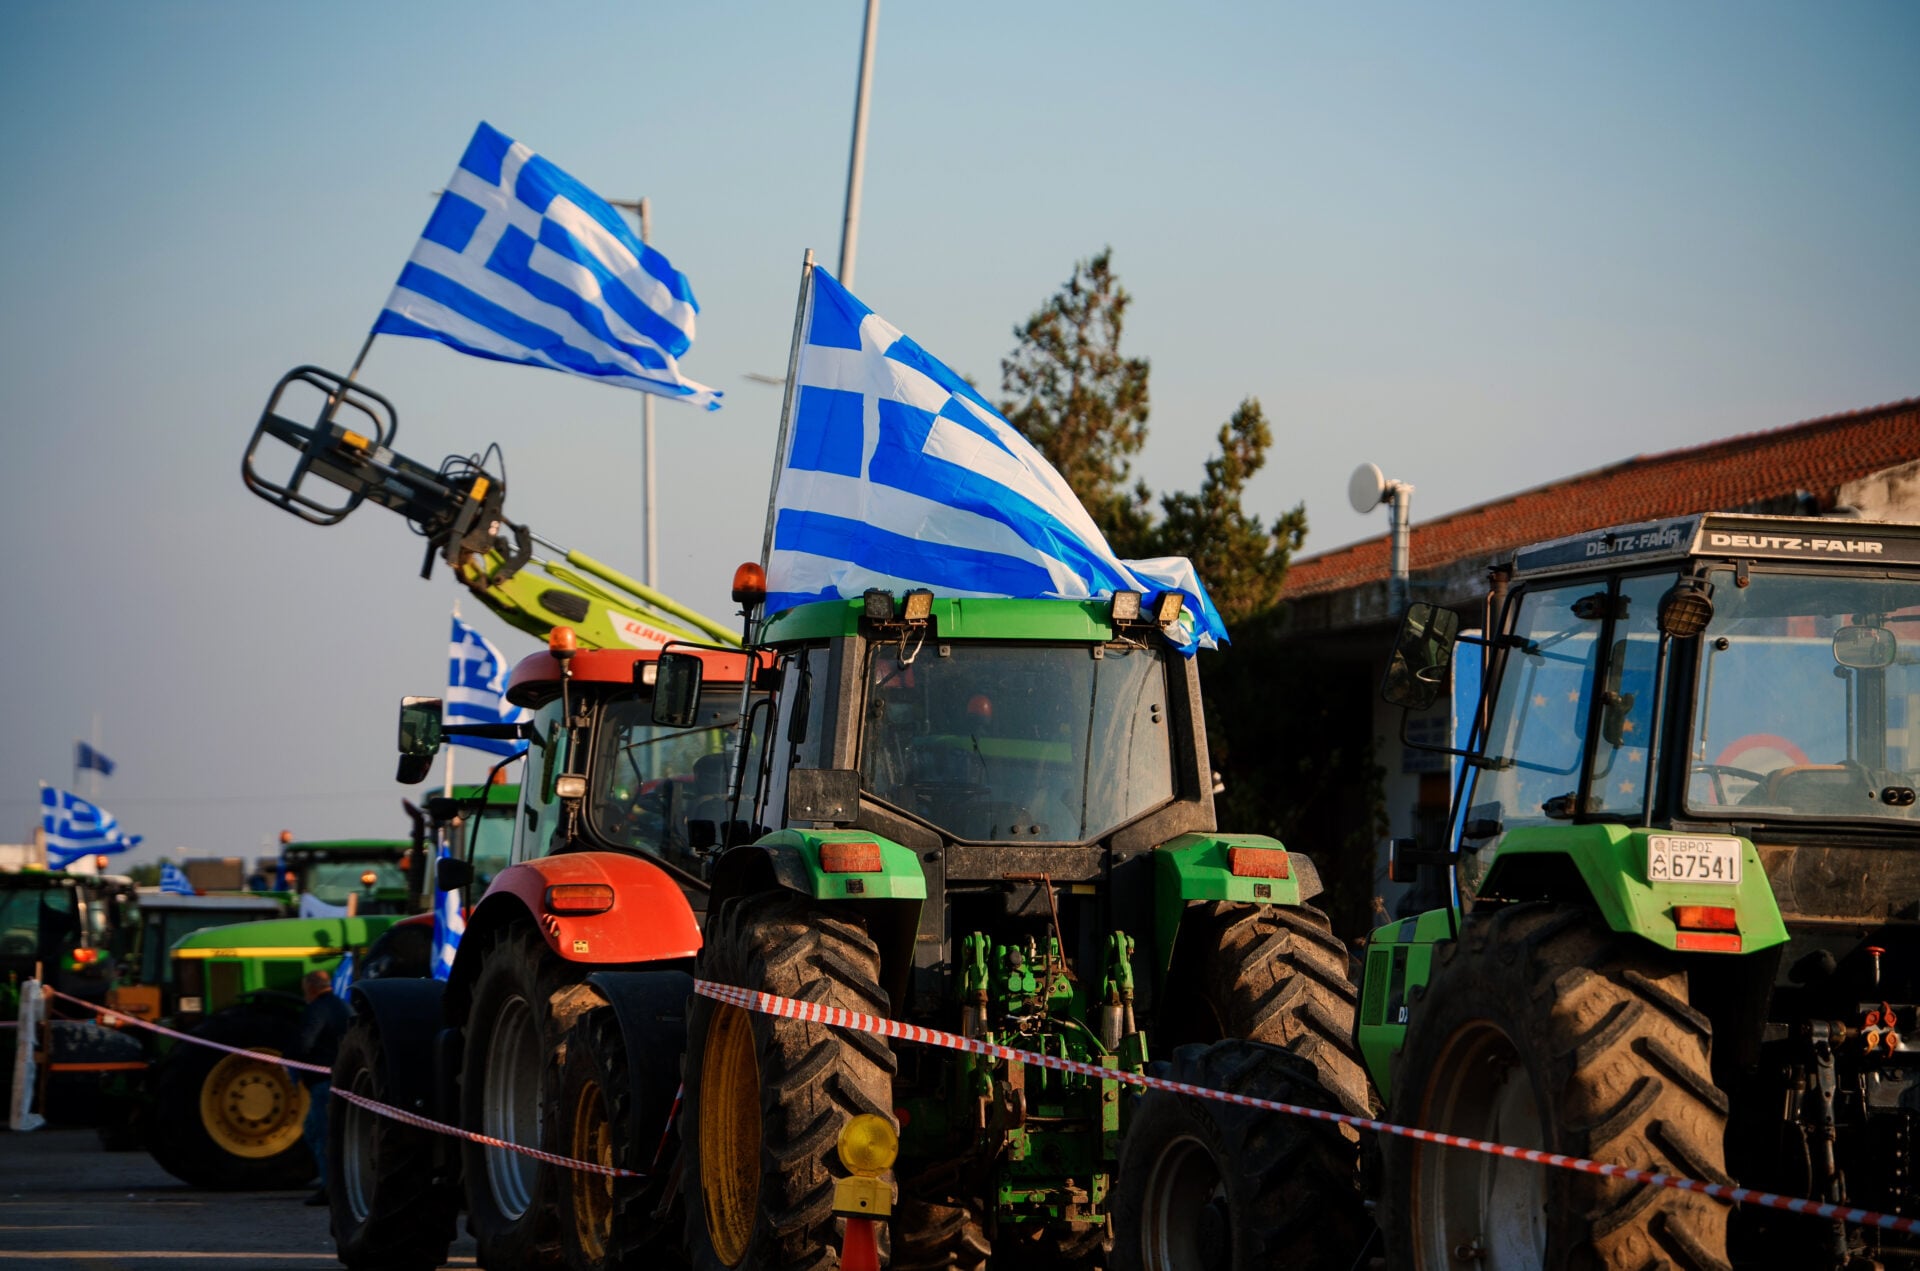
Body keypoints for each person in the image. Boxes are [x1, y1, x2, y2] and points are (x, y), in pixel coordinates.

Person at [291, 968, 351, 1206]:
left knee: (319, 1134)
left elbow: (305, 1042)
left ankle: (330, 1187)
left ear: (310, 988)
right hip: (340, 1078)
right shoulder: (342, 1006)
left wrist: (291, 1058)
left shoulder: (316, 1009)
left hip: (322, 1083)